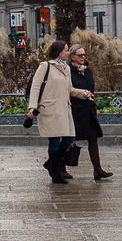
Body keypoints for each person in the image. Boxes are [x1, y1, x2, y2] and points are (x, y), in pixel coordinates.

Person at [26, 41, 91, 184]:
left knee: (69, 139)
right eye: (66, 50)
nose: (68, 52)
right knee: (55, 141)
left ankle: (51, 163)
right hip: (50, 109)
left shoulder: (66, 68)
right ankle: (56, 174)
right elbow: (35, 87)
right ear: (59, 52)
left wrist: (83, 93)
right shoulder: (46, 66)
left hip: (65, 110)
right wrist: (32, 107)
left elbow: (69, 89)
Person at [67, 45, 113, 181]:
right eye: (80, 55)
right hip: (75, 110)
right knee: (68, 140)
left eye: (84, 55)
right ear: (72, 56)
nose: (83, 57)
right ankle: (55, 166)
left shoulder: (88, 71)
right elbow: (69, 89)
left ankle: (97, 170)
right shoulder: (68, 71)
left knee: (93, 139)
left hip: (88, 110)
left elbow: (91, 86)